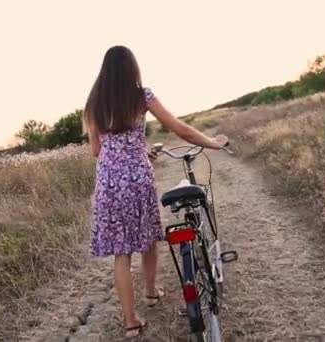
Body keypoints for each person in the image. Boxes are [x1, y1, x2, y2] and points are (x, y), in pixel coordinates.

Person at [83, 45, 227, 339]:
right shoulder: (142, 96)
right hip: (138, 178)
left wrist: (120, 155)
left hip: (109, 182)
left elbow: (97, 151)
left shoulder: (94, 103)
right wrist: (213, 142)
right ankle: (150, 292)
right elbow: (179, 129)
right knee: (148, 236)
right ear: (131, 68)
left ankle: (130, 322)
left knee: (120, 254)